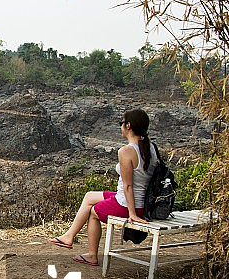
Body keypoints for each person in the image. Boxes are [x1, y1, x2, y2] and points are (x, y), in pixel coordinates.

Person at [49, 109, 158, 266]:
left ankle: (92, 255)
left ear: (128, 126)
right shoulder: (151, 148)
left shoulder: (126, 151)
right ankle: (69, 236)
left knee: (93, 212)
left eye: (121, 123)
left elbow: (128, 186)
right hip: (138, 201)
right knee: (89, 196)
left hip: (128, 204)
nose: (120, 126)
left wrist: (132, 214)